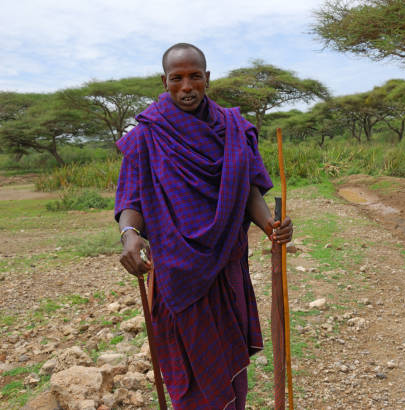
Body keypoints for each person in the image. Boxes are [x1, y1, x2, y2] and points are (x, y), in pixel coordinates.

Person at [114, 42, 293, 409]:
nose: (186, 86)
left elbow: (249, 192)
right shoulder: (146, 135)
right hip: (176, 273)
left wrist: (270, 226)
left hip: (226, 266)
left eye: (194, 76)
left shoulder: (234, 128)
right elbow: (130, 201)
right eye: (177, 78)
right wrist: (129, 235)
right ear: (163, 81)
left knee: (228, 366)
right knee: (189, 368)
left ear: (207, 78)